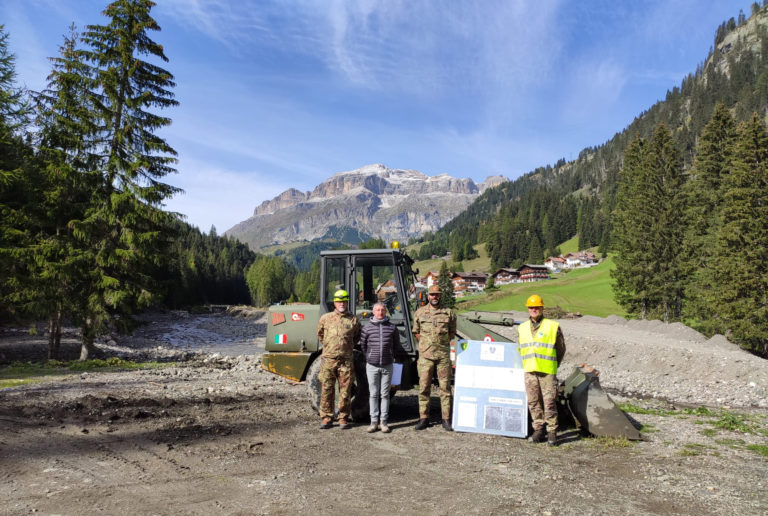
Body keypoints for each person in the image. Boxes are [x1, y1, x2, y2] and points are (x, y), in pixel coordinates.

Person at [517, 294, 566, 446]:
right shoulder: (522, 328)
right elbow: (521, 348)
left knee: (549, 402)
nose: (534, 309)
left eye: (537, 307)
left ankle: (552, 432)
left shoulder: (552, 326)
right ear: (528, 309)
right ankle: (538, 430)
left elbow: (561, 349)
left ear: (542, 308)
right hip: (530, 371)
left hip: (547, 372)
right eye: (531, 307)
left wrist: (553, 364)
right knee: (533, 402)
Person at [411, 284, 456, 431]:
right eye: (432, 294)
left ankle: (446, 419)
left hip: (443, 356)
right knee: (424, 387)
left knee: (445, 388)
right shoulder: (420, 313)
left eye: (437, 294)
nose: (434, 297)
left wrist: (439, 344)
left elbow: (451, 333)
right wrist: (427, 344)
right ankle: (423, 418)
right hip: (425, 356)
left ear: (440, 295)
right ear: (428, 296)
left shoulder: (449, 313)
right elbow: (416, 332)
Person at [316, 289, 361, 430]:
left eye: (344, 301)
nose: (342, 303)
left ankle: (343, 417)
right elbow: (320, 335)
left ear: (347, 302)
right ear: (335, 302)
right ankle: (327, 417)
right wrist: (331, 347)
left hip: (346, 360)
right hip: (329, 360)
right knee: (327, 388)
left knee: (346, 390)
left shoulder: (353, 319)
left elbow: (356, 337)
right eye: (339, 301)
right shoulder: (325, 318)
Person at [359, 302, 405, 433]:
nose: (380, 312)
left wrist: (390, 356)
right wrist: (369, 357)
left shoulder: (391, 328)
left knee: (385, 394)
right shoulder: (367, 328)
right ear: (373, 312)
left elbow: (396, 345)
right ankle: (373, 422)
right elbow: (363, 345)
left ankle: (383, 422)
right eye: (377, 310)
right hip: (372, 366)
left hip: (387, 365)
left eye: (382, 310)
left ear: (385, 312)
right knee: (373, 394)